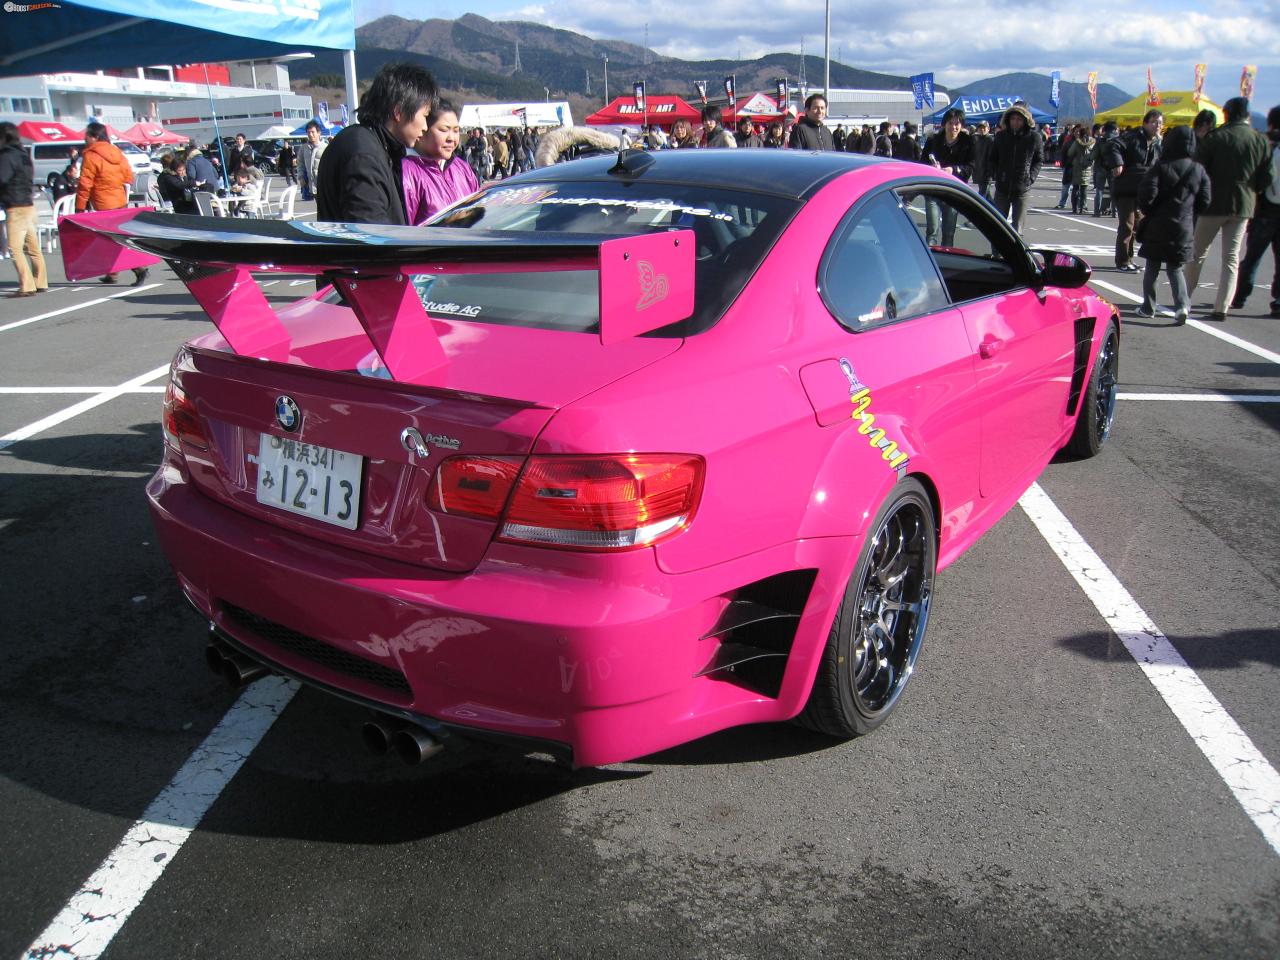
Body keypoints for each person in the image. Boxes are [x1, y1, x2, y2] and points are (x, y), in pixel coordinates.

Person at [315, 62, 438, 225]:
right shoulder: (364, 155)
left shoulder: (370, 143)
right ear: (398, 111)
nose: (425, 127)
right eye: (424, 115)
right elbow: (370, 234)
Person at [1185, 97, 1275, 319]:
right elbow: (1267, 176)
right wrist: (1253, 190)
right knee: (1231, 258)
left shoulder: (1217, 138)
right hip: (1244, 204)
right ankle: (1222, 307)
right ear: (1248, 115)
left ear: (1226, 114)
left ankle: (1184, 298)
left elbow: (1198, 168)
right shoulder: (1259, 140)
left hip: (1212, 203)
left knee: (1197, 253)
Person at [1135, 126, 1211, 324]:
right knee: (1175, 269)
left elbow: (1146, 195)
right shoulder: (1198, 169)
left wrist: (1149, 210)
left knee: (1152, 267)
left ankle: (1148, 307)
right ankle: (1182, 306)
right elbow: (1205, 200)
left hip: (1158, 225)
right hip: (1184, 226)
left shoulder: (1160, 167)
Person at [76, 121, 146, 285]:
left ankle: (139, 269)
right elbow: (129, 176)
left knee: (111, 239)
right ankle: (112, 273)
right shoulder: (116, 151)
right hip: (120, 199)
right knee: (116, 236)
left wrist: (80, 206)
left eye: (86, 135)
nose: (84, 138)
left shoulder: (91, 155)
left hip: (103, 202)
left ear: (94, 137)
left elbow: (85, 183)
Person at [1231, 105, 1280, 317]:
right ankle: (1278, 301)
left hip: (1264, 208)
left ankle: (1239, 296)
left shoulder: (1264, 143)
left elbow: (1259, 175)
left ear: (1270, 122)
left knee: (1252, 256)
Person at [402, 99, 480, 226]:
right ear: (423, 129)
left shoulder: (462, 168)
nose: (451, 138)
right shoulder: (407, 171)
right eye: (444, 130)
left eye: (456, 130)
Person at [1105, 108, 1164, 271]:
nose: (1157, 126)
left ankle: (1129, 258)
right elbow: (1112, 144)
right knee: (1127, 225)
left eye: (1159, 123)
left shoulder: (1158, 143)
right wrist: (1117, 163)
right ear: (1145, 123)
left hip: (1144, 191)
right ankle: (1123, 261)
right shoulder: (1133, 137)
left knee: (1138, 226)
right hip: (1126, 188)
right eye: (1153, 122)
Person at [0, 121, 48, 298]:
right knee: (33, 247)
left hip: (16, 206)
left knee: (15, 248)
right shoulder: (23, 154)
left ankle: (26, 285)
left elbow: (2, 179)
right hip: (28, 204)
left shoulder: (6, 156)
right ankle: (40, 281)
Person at [921, 108, 973, 246]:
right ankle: (930, 262)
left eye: (957, 124)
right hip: (933, 189)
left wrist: (953, 169)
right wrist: (932, 168)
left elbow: (970, 167)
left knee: (949, 233)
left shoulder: (967, 142)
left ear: (962, 125)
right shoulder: (933, 140)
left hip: (953, 191)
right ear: (944, 124)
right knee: (932, 230)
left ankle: (947, 260)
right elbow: (922, 163)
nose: (953, 127)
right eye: (950, 123)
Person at [990, 103, 1043, 234]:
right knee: (998, 225)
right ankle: (996, 254)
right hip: (1002, 187)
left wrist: (1031, 177)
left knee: (1017, 228)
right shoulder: (1001, 136)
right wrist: (996, 174)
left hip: (1022, 188)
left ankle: (1015, 254)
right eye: (1013, 119)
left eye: (1019, 119)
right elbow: (992, 158)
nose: (1015, 122)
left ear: (1025, 120)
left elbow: (1038, 159)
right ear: (1008, 119)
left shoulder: (1034, 137)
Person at [1067, 125, 1098, 216]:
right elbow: (1095, 154)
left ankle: (1074, 208)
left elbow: (1070, 153)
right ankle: (1083, 207)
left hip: (1077, 166)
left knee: (1076, 187)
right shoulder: (1093, 142)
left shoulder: (1077, 142)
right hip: (1087, 166)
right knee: (1084, 188)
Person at [297, 120, 325, 201]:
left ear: (318, 133)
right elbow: (300, 164)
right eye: (308, 132)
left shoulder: (325, 147)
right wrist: (301, 177)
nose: (310, 134)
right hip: (311, 185)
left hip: (323, 185)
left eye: (313, 132)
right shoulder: (304, 148)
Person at [970, 120, 994, 198]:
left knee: (982, 196)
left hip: (986, 174)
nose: (982, 129)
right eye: (980, 128)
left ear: (988, 128)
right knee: (987, 196)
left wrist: (989, 172)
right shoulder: (977, 139)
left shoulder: (990, 140)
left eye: (984, 128)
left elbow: (991, 158)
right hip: (979, 172)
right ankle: (994, 209)